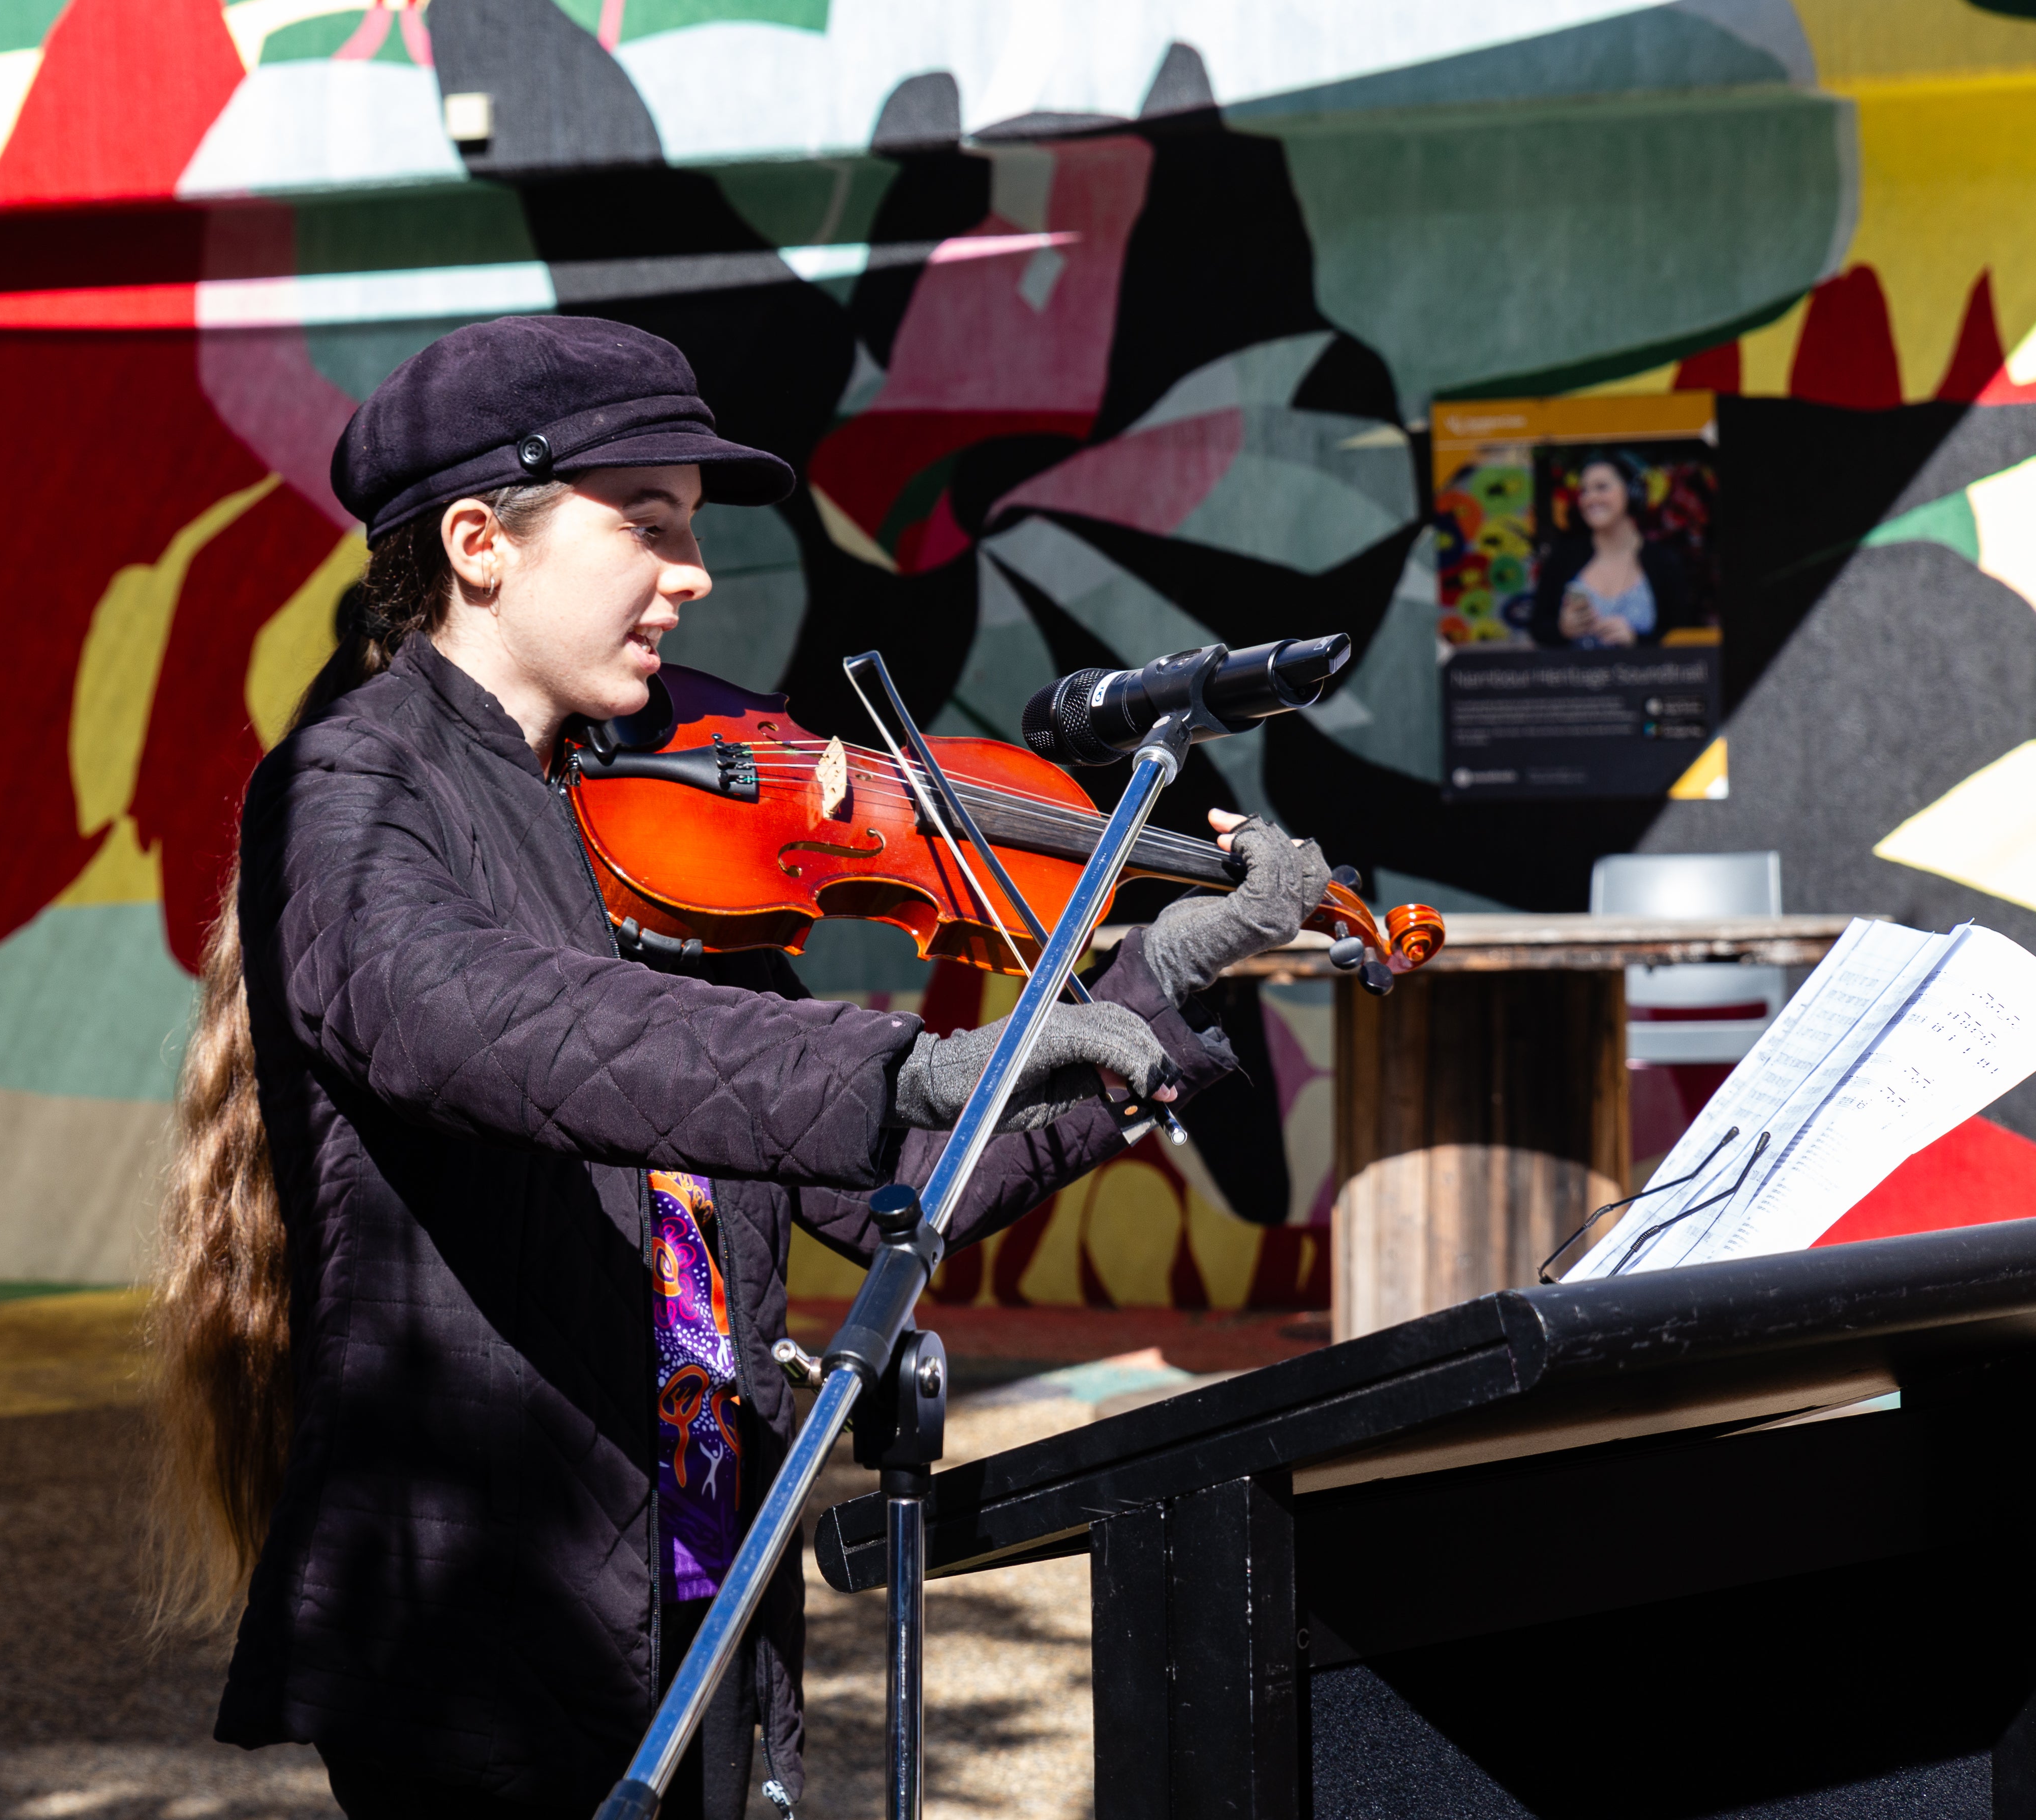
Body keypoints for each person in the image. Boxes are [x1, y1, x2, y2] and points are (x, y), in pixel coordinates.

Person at [148, 316, 1330, 1819]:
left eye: (692, 534)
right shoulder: (349, 784)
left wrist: (1153, 983)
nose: (692, 576)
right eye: (646, 527)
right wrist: (906, 1061)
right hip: (482, 1625)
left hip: (712, 1582)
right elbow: (467, 1018)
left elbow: (901, 1189)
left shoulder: (648, 830)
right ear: (476, 542)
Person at [1533, 453, 1695, 648]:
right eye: (1584, 491)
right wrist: (1562, 629)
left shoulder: (1664, 561)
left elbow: (1685, 639)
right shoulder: (1563, 558)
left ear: (1632, 492)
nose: (1590, 498)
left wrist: (1636, 640)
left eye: (1602, 487)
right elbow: (1538, 629)